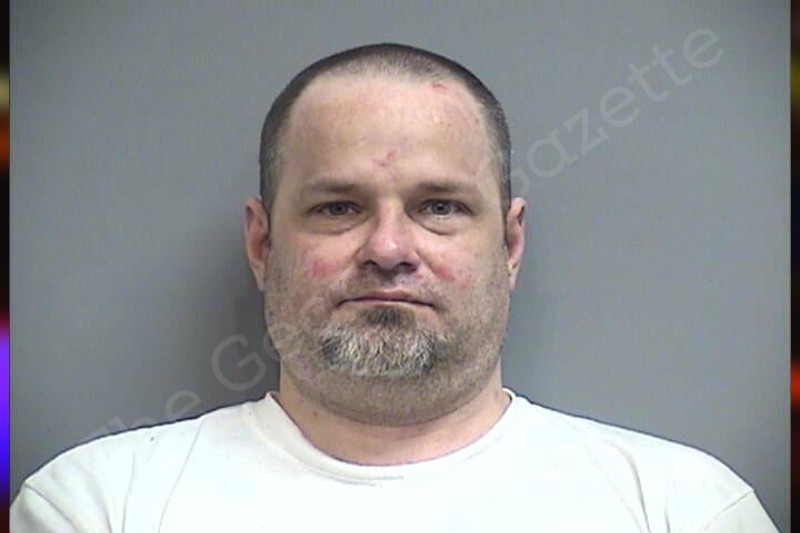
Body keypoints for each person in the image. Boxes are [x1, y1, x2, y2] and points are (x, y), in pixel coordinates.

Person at [11, 43, 777, 532]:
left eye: (438, 206)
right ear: (262, 244)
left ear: (510, 243)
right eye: (337, 207)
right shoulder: (98, 505)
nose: (387, 248)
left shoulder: (684, 508)